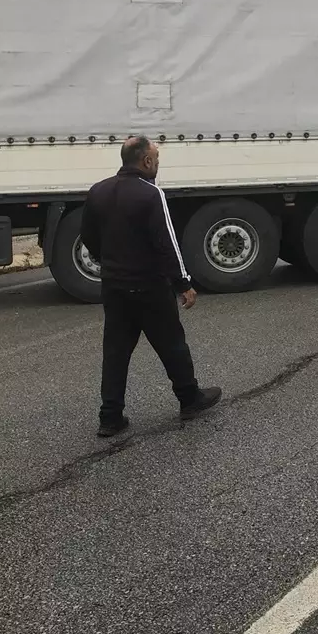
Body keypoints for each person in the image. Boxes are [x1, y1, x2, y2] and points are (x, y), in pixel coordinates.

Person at [80, 135, 221, 437]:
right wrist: (183, 282)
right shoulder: (150, 193)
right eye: (156, 158)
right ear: (145, 161)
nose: (157, 162)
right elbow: (166, 242)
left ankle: (110, 417)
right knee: (172, 344)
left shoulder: (98, 191)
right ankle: (189, 399)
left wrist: (110, 262)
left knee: (116, 351)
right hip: (148, 286)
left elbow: (88, 236)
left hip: (114, 287)